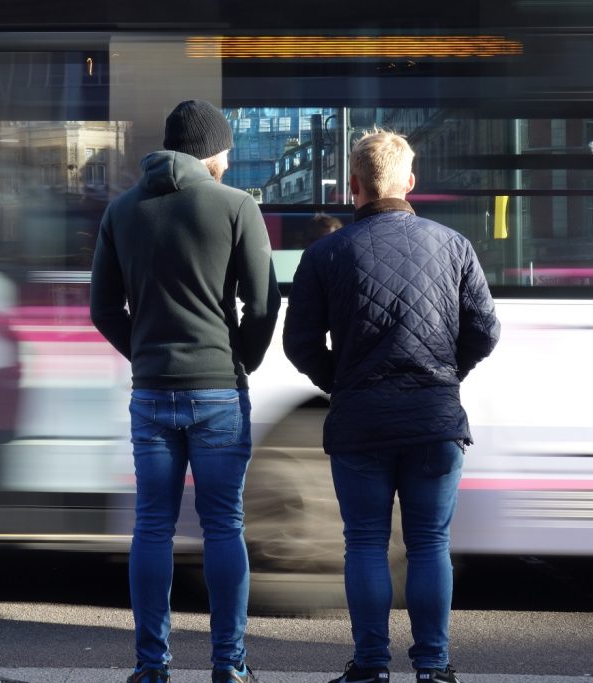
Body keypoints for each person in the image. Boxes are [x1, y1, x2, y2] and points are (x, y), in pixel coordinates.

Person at [281, 129, 500, 683]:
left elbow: (299, 344)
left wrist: (344, 381)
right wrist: (446, 375)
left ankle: (371, 666)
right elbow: (485, 330)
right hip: (434, 418)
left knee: (365, 544)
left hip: (360, 422)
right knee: (429, 544)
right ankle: (433, 666)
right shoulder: (453, 246)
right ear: (410, 181)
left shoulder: (325, 253)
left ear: (352, 186)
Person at [90, 99, 281, 683]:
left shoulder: (122, 211)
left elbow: (102, 309)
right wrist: (239, 359)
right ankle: (229, 665)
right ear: (213, 152)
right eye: (227, 149)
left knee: (152, 527)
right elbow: (263, 302)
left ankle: (152, 667)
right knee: (224, 526)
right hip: (220, 393)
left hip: (151, 396)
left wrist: (145, 354)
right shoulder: (236, 207)